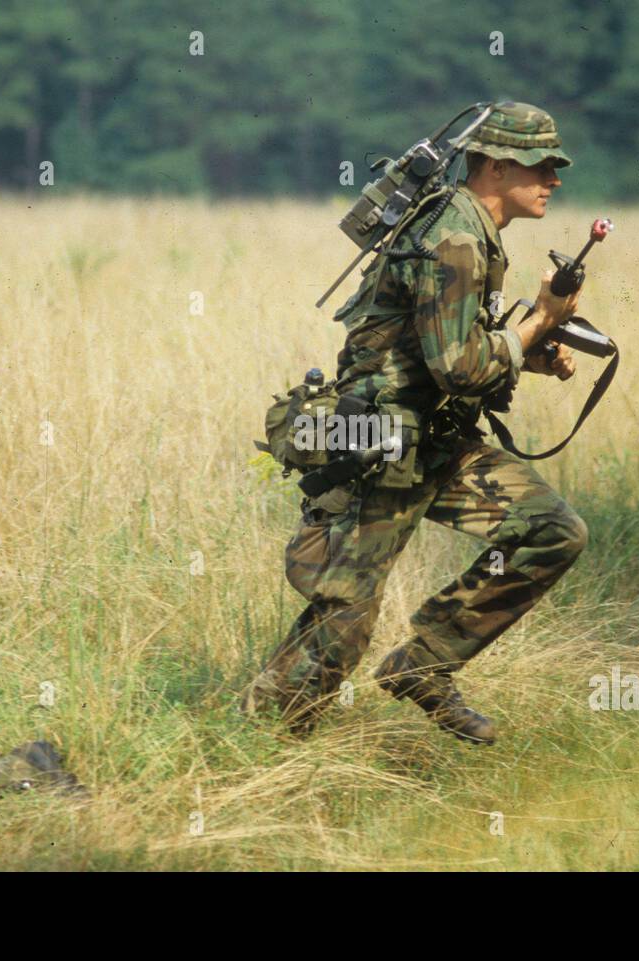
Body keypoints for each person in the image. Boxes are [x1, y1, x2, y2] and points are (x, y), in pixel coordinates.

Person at [243, 102, 589, 745]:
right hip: (379, 444)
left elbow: (452, 350)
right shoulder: (453, 236)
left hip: (436, 441)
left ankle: (423, 665)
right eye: (542, 165)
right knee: (343, 621)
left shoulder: (474, 232)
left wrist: (525, 353)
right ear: (494, 164)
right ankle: (263, 745)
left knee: (549, 530)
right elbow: (457, 366)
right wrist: (536, 322)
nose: (554, 179)